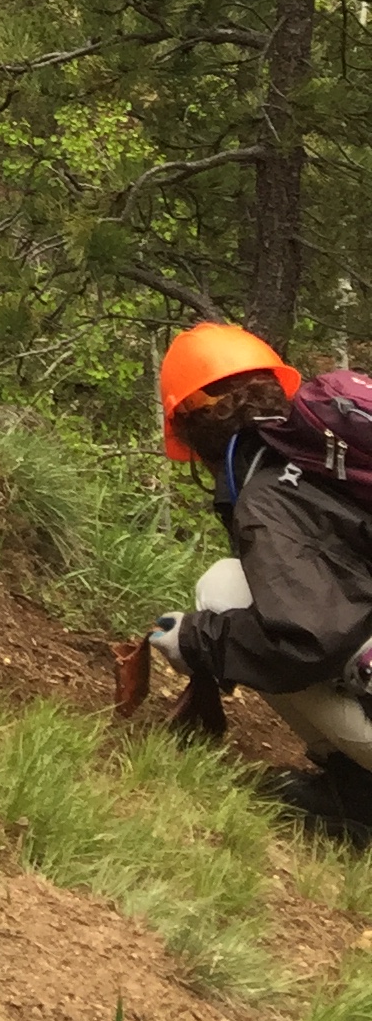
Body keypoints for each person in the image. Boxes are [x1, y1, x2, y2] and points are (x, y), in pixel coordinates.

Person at [149, 322, 372, 830]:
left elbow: (307, 640)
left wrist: (195, 641)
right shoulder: (326, 458)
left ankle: (360, 797)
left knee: (223, 591)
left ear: (190, 430)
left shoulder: (268, 498)